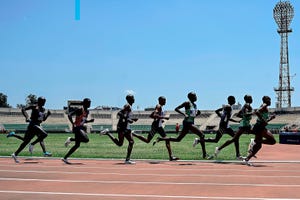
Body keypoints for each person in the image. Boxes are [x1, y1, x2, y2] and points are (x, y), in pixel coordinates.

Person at [155, 92, 208, 159]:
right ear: (190, 97)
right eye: (195, 96)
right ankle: (204, 154)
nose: (196, 97)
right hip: (188, 123)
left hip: (190, 123)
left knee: (178, 139)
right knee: (202, 135)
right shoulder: (187, 103)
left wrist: (197, 114)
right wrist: (183, 114)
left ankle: (161, 139)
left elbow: (192, 116)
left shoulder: (195, 105)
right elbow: (176, 108)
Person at [132, 96, 179, 161]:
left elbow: (152, 115)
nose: (165, 102)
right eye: (164, 100)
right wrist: (163, 118)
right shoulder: (158, 106)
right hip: (155, 126)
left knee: (167, 139)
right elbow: (154, 115)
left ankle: (171, 156)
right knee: (147, 140)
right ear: (160, 100)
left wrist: (160, 120)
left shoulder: (160, 107)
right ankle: (134, 134)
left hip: (159, 126)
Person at [11, 96, 52, 163]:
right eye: (43, 101)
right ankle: (32, 144)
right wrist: (27, 117)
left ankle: (15, 154)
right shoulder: (34, 106)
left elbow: (43, 119)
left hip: (37, 125)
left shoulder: (43, 109)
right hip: (33, 125)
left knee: (26, 141)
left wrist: (48, 114)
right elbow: (23, 109)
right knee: (44, 134)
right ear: (39, 101)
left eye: (45, 101)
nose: (44, 102)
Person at [100, 94, 138, 164]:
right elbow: (119, 113)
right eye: (133, 98)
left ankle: (127, 159)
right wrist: (128, 119)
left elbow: (126, 116)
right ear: (129, 99)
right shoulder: (127, 106)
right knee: (120, 144)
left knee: (131, 142)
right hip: (122, 127)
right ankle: (108, 133)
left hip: (126, 127)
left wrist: (132, 119)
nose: (134, 99)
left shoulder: (130, 107)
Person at [214, 95, 253, 159]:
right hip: (243, 125)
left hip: (245, 124)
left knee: (235, 139)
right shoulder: (246, 105)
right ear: (247, 99)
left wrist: (243, 117)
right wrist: (252, 113)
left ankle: (237, 154)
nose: (252, 99)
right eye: (250, 98)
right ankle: (252, 146)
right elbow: (243, 114)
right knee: (234, 139)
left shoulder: (246, 106)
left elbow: (239, 114)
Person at [243, 96, 276, 166]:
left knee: (258, 146)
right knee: (272, 141)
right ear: (265, 100)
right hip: (259, 127)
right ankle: (254, 141)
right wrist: (263, 119)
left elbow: (265, 121)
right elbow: (257, 112)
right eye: (269, 100)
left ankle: (246, 159)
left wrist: (271, 118)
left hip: (260, 127)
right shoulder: (264, 105)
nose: (270, 101)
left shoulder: (265, 107)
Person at [62, 98, 94, 164]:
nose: (90, 104)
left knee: (77, 145)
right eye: (88, 103)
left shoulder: (87, 112)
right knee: (86, 139)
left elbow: (83, 120)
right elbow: (69, 115)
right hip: (77, 128)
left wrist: (89, 121)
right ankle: (71, 139)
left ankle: (65, 158)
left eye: (90, 103)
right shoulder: (80, 110)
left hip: (81, 127)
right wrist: (72, 123)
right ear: (85, 103)